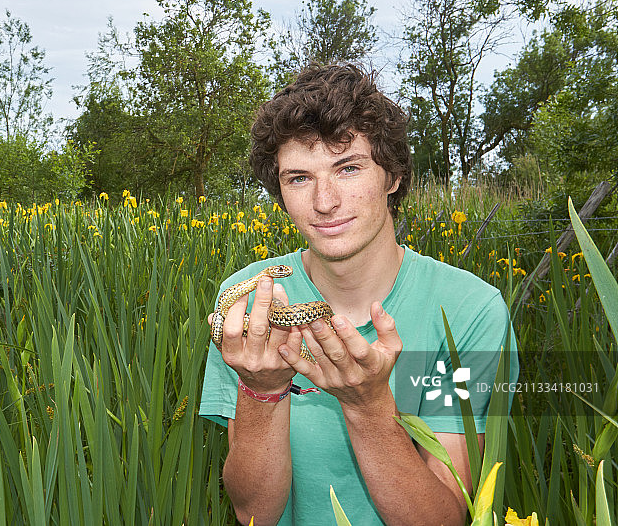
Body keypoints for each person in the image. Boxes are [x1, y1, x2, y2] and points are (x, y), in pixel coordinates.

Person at [199, 64, 519, 526]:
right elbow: (254, 513)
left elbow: (444, 519)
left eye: (348, 168)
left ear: (392, 177)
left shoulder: (471, 312)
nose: (325, 202)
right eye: (299, 178)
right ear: (281, 192)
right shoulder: (249, 303)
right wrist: (261, 389)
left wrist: (368, 407)